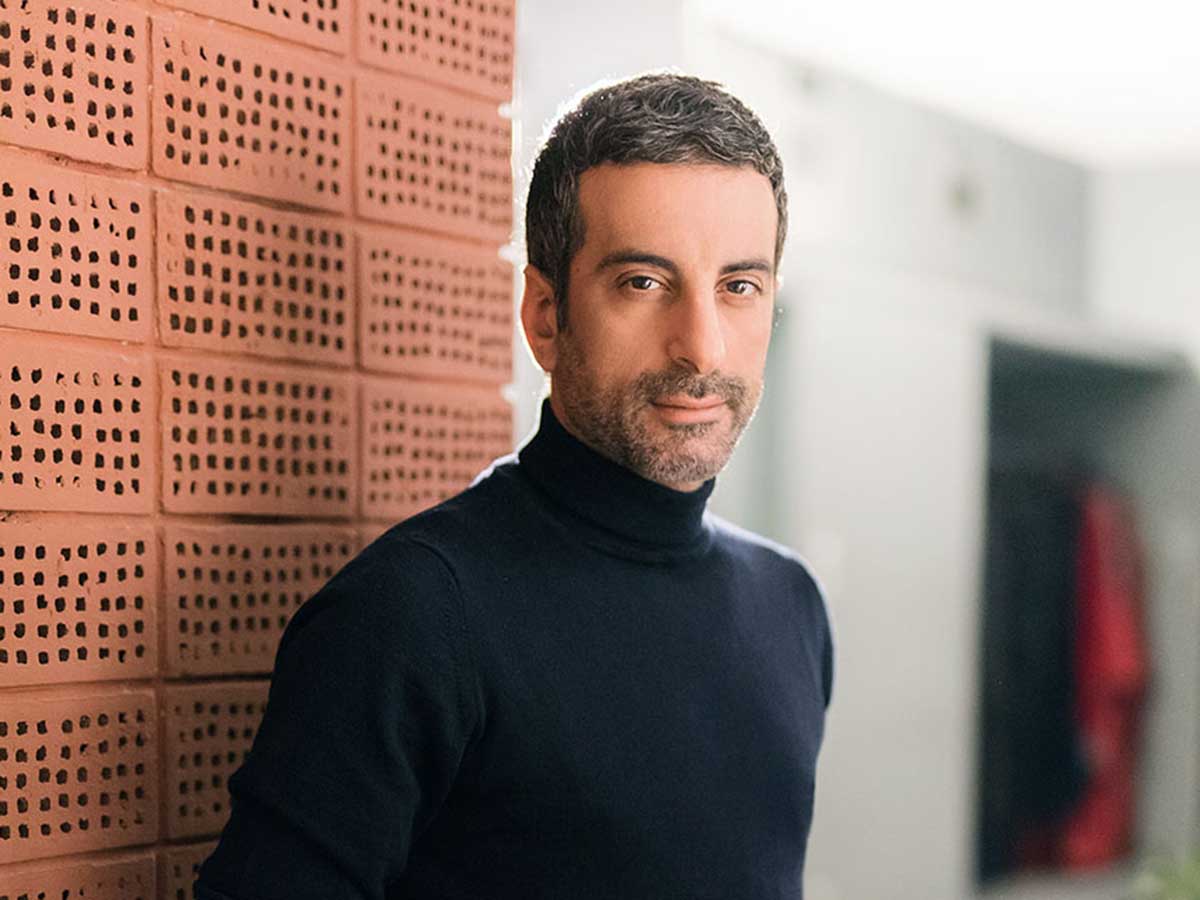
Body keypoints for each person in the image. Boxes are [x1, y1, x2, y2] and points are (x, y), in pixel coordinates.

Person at [194, 71, 835, 900]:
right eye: (643, 282)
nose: (702, 347)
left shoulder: (791, 605)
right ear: (544, 316)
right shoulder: (413, 615)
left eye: (738, 287)